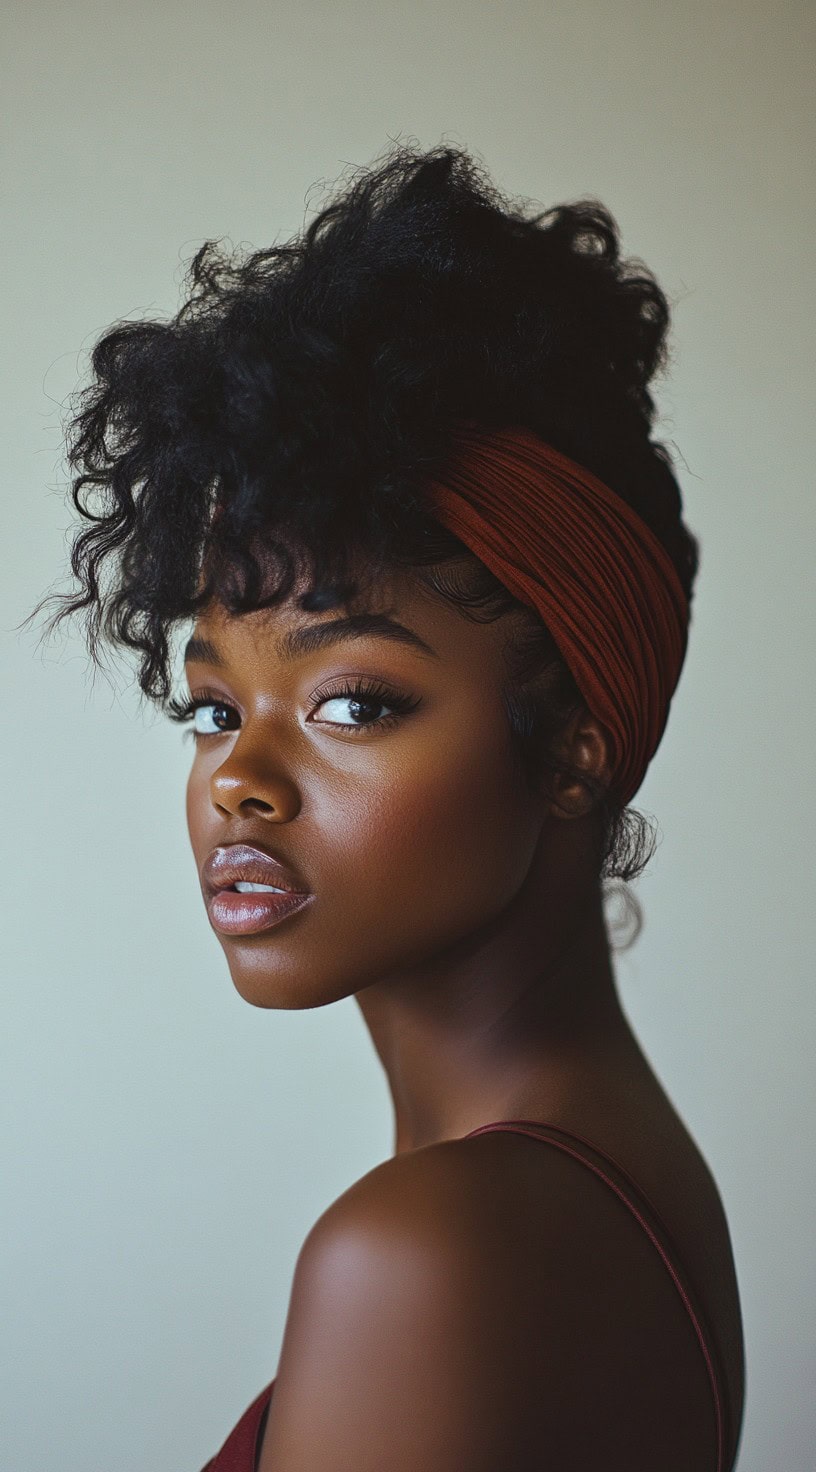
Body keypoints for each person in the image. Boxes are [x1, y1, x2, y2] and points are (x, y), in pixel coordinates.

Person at [34, 140, 745, 1470]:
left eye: (352, 703)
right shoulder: (611, 1176)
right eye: (211, 707)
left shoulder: (432, 1252)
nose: (238, 777)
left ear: (575, 746)